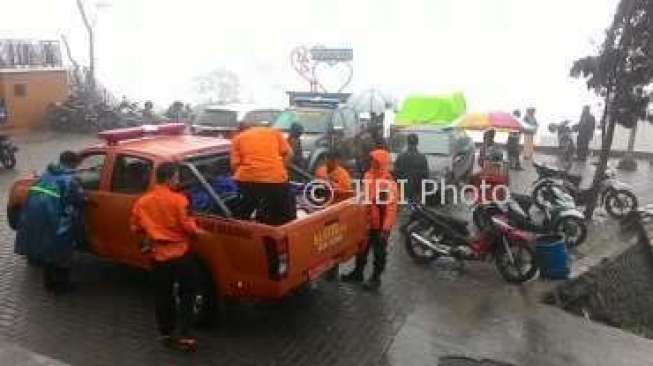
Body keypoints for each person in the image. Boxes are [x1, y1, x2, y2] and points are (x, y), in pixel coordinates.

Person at [130, 162, 202, 351]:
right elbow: (188, 227)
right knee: (188, 292)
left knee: (163, 295)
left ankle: (166, 334)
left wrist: (151, 234)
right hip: (181, 254)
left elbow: (135, 227)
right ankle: (186, 334)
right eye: (177, 177)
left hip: (158, 255)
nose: (179, 180)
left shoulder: (143, 202)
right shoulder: (179, 200)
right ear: (169, 178)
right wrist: (197, 231)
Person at [14, 151, 84, 293]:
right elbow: (77, 199)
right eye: (77, 164)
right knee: (63, 251)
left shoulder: (46, 174)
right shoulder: (70, 180)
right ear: (73, 163)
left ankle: (49, 284)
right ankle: (62, 286)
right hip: (57, 219)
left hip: (36, 217)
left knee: (48, 251)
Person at [342, 148, 398, 290]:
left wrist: (385, 230)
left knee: (379, 252)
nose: (371, 161)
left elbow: (391, 209)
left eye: (375, 160)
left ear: (381, 162)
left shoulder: (388, 183)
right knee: (361, 249)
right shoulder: (367, 176)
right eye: (371, 159)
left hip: (380, 225)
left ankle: (375, 278)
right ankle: (358, 273)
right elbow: (362, 195)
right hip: (365, 222)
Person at [231, 121, 296, 225]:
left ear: (239, 130)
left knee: (243, 213)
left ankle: (242, 228)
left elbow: (235, 165)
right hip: (276, 180)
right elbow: (289, 154)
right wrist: (279, 168)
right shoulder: (274, 132)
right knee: (283, 212)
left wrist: (240, 176)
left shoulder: (238, 138)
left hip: (248, 179)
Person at [394, 133, 429, 202]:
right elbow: (425, 176)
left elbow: (395, 174)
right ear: (417, 143)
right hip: (416, 192)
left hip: (403, 191)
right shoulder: (422, 158)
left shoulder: (401, 157)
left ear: (407, 142)